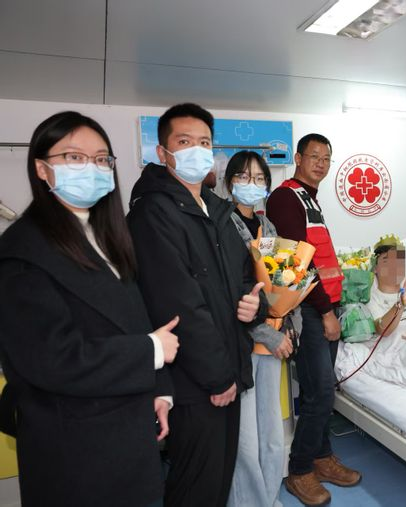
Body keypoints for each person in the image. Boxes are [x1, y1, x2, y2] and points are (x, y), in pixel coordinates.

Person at [0, 111, 178, 507]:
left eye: (100, 159)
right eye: (73, 157)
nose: (91, 168)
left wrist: (161, 392)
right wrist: (150, 351)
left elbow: (137, 321)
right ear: (42, 169)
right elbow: (52, 358)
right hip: (75, 450)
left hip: (131, 434)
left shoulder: (108, 236)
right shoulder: (22, 251)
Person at [128, 103, 266, 507]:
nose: (196, 150)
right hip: (194, 382)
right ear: (163, 152)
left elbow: (244, 280)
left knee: (218, 482)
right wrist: (217, 377)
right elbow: (178, 305)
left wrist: (254, 307)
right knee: (195, 487)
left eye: (204, 143)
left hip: (227, 370)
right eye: (184, 141)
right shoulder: (153, 213)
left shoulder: (217, 210)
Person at [267, 133, 361, 506]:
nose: (320, 163)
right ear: (298, 158)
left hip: (326, 305)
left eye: (326, 158)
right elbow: (294, 266)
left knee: (316, 391)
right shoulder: (285, 198)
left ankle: (321, 457)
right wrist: (324, 312)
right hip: (309, 309)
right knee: (320, 391)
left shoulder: (309, 198)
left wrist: (334, 305)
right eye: (314, 156)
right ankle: (300, 470)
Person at [224, 150, 293, 507]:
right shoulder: (222, 224)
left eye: (259, 178)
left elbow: (282, 282)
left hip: (273, 339)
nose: (252, 184)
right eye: (243, 176)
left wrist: (287, 325)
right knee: (246, 437)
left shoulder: (269, 228)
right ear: (229, 182)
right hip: (242, 340)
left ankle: (268, 496)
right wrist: (269, 333)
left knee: (271, 429)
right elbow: (231, 292)